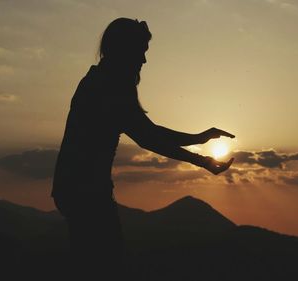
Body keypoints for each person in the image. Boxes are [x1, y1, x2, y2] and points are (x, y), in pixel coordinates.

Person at [51, 18, 235, 277]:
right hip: (86, 191)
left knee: (92, 262)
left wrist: (198, 140)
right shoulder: (108, 86)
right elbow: (148, 137)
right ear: (124, 49)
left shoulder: (98, 80)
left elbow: (148, 132)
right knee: (106, 263)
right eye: (141, 52)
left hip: (77, 188)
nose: (144, 61)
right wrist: (201, 156)